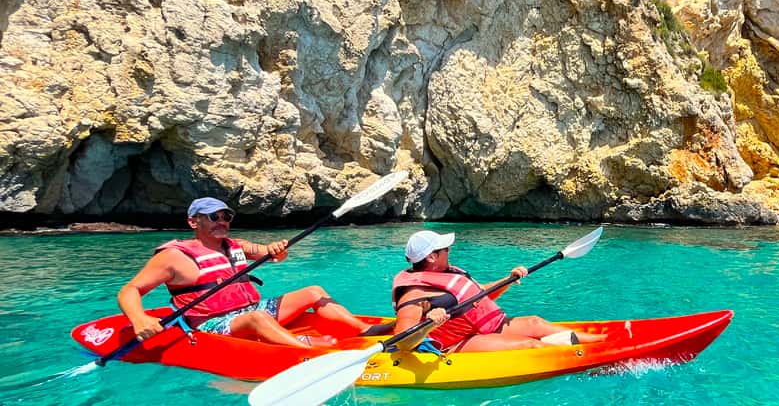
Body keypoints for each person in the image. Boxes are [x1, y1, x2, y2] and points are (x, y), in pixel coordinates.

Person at [117, 197, 384, 348]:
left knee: (313, 291)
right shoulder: (174, 257)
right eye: (213, 217)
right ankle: (304, 348)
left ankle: (362, 330)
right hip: (211, 325)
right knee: (256, 317)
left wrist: (278, 250)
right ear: (193, 221)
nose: (221, 222)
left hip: (249, 310)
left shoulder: (235, 246)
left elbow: (271, 252)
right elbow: (130, 290)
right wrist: (139, 319)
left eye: (225, 217)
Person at [390, 230, 608, 353]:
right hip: (456, 343)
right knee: (529, 346)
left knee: (535, 323)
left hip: (484, 328)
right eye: (445, 249)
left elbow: (477, 295)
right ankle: (588, 357)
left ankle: (606, 342)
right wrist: (431, 323)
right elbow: (403, 341)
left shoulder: (447, 272)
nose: (449, 251)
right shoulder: (413, 295)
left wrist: (509, 280)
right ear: (431, 257)